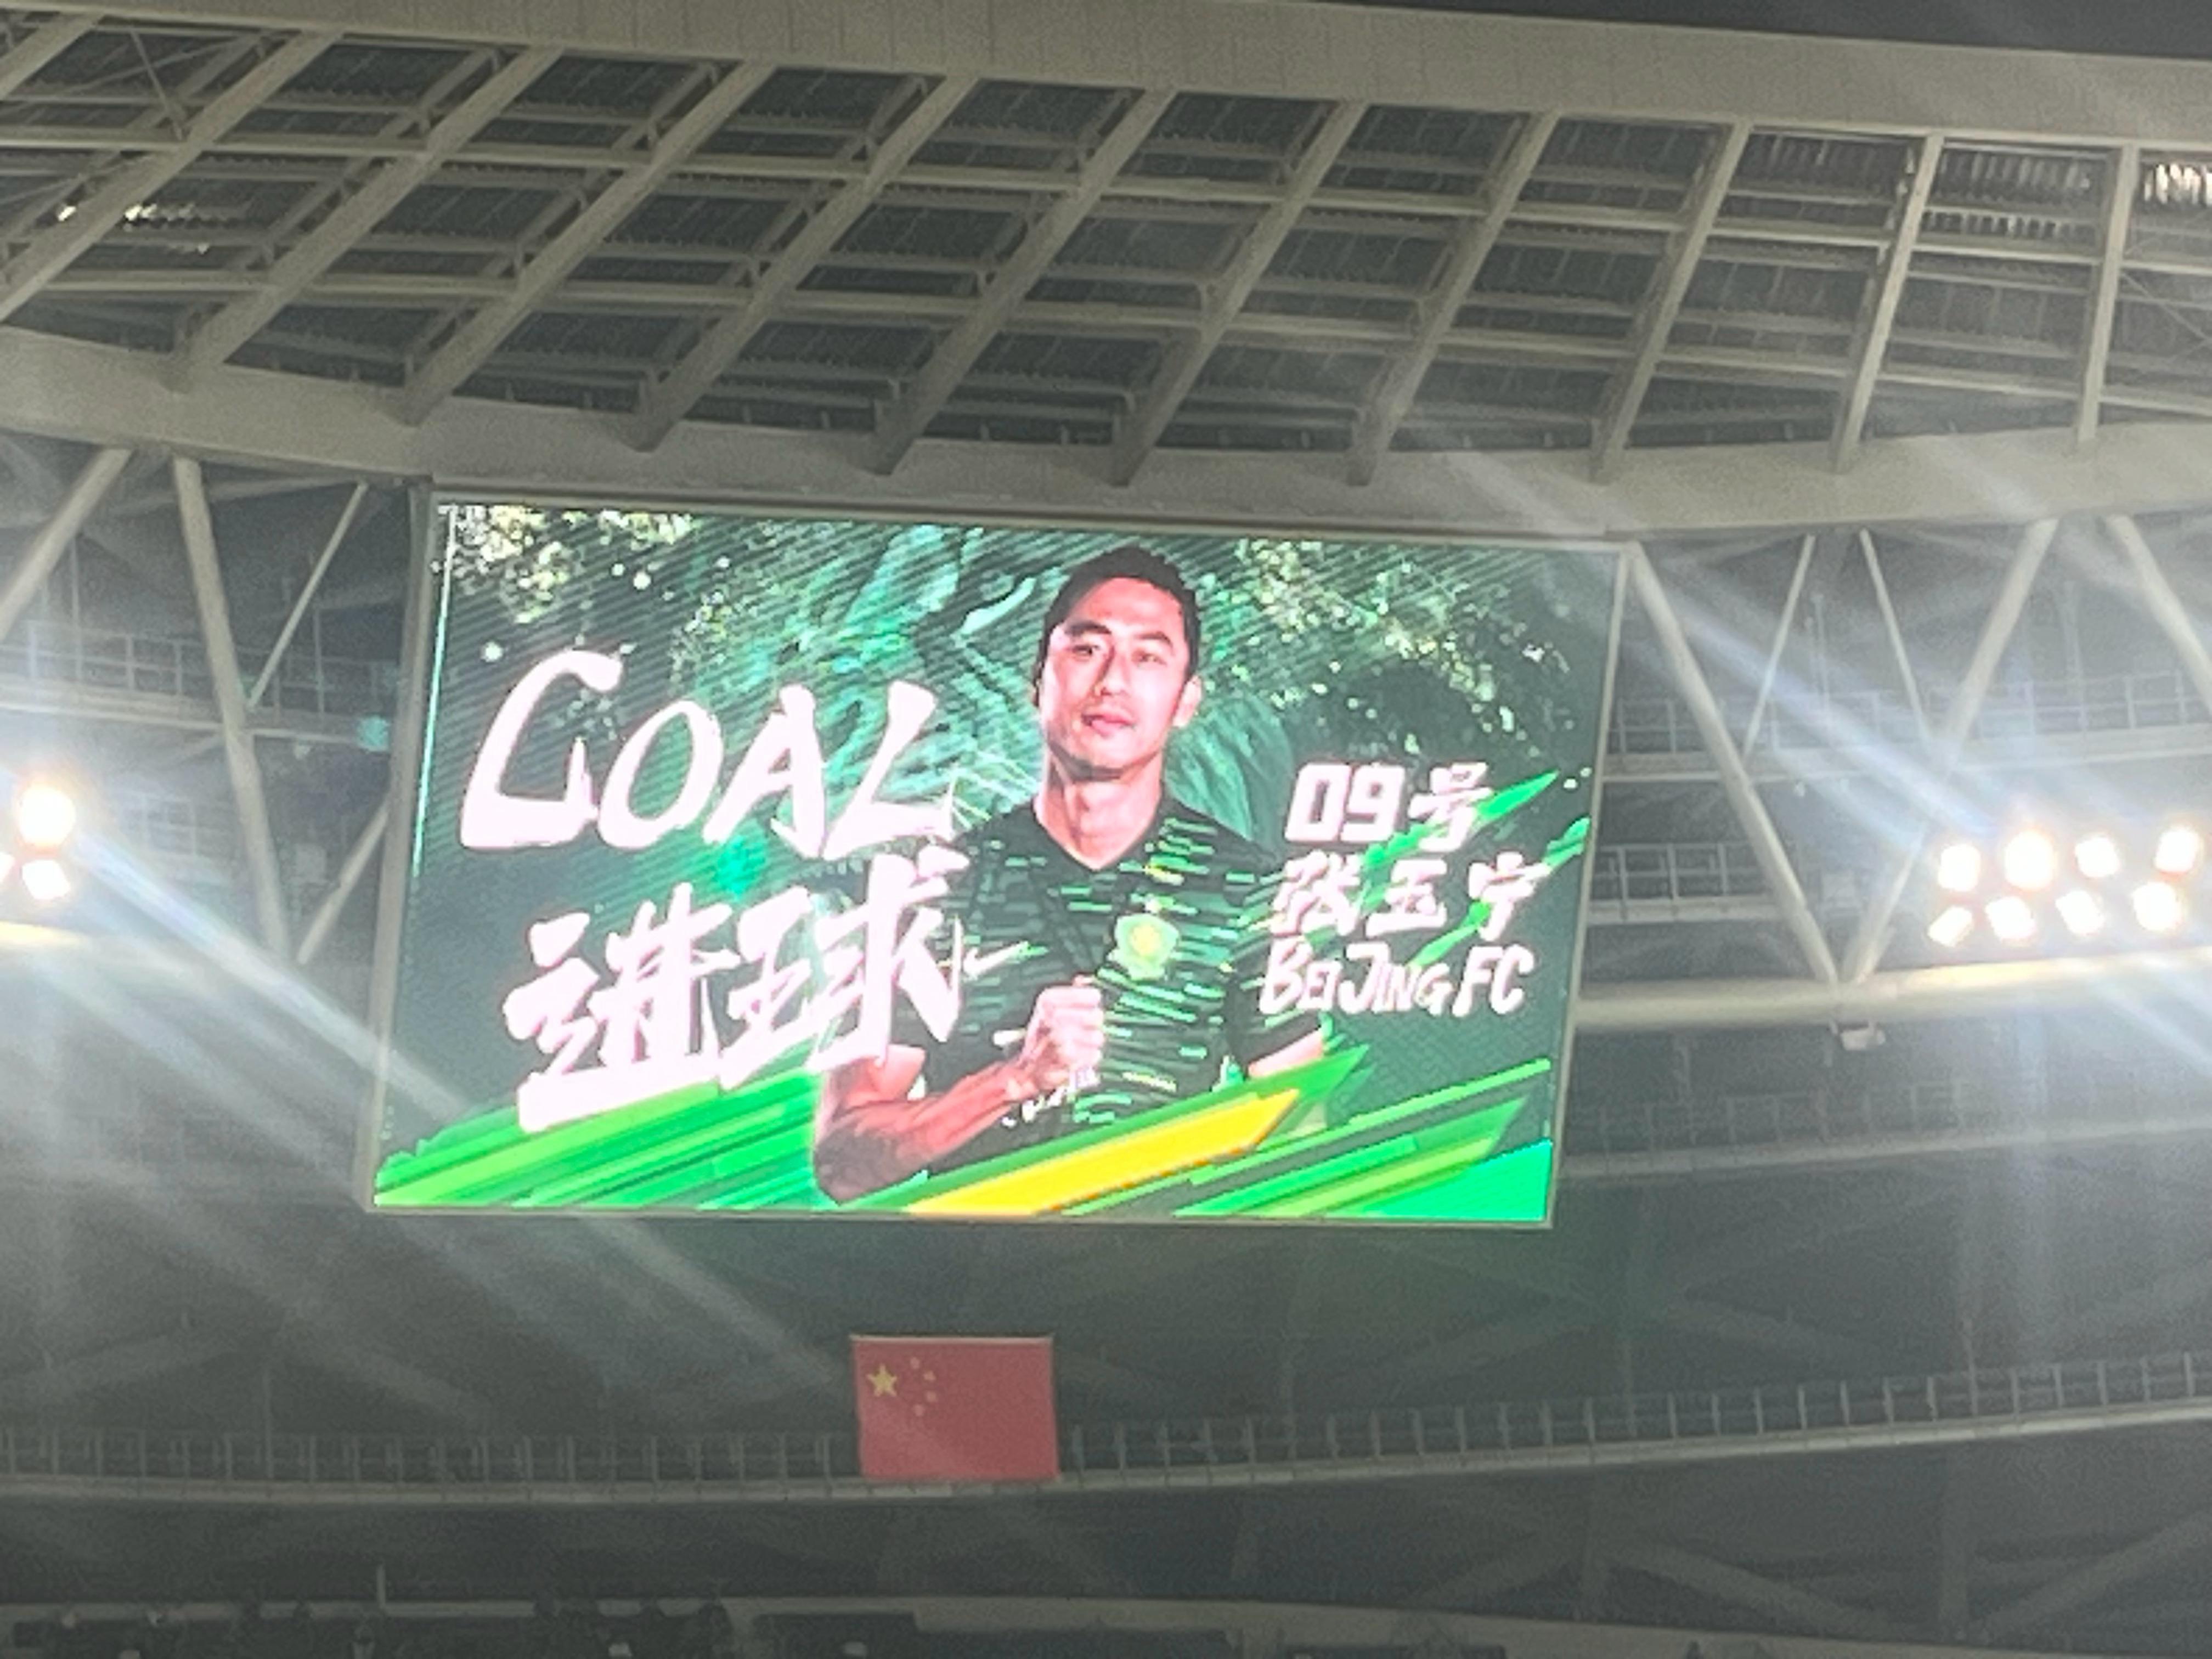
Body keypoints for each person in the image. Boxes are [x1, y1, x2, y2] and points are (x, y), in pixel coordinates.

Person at [813, 545, 1325, 1202]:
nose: (1112, 681)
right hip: (967, 1262)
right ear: (1039, 683)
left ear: (1186, 700)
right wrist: (1014, 1080)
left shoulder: (1249, 891)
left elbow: (1298, 1138)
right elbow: (844, 1166)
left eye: (1148, 658)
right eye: (1086, 649)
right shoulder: (933, 893)